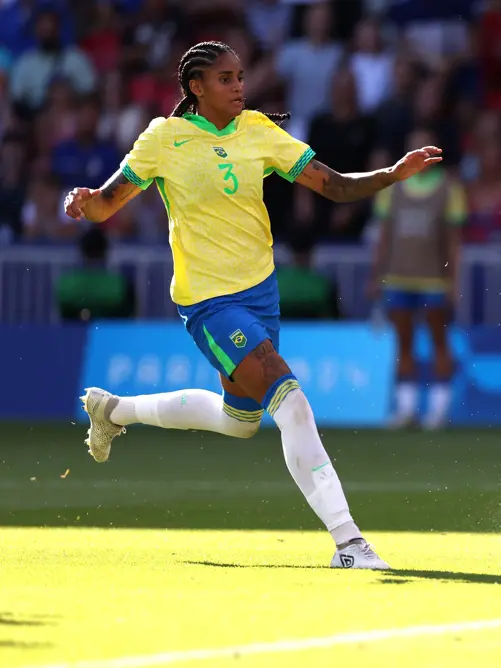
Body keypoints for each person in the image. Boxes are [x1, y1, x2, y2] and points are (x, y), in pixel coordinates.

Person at [63, 41, 443, 571]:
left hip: (261, 294)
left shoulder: (260, 131)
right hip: (210, 301)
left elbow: (331, 185)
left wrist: (389, 176)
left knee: (240, 420)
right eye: (225, 78)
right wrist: (82, 204)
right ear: (196, 87)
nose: (239, 86)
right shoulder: (164, 139)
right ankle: (350, 543)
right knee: (292, 402)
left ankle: (114, 410)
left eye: (241, 76)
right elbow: (107, 203)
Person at [369, 127, 466, 430]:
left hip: (434, 279)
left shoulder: (450, 189)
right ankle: (406, 409)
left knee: (439, 341)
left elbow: (454, 241)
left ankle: (438, 410)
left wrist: (454, 281)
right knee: (404, 343)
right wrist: (377, 274)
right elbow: (384, 237)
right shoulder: (392, 186)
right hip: (398, 277)